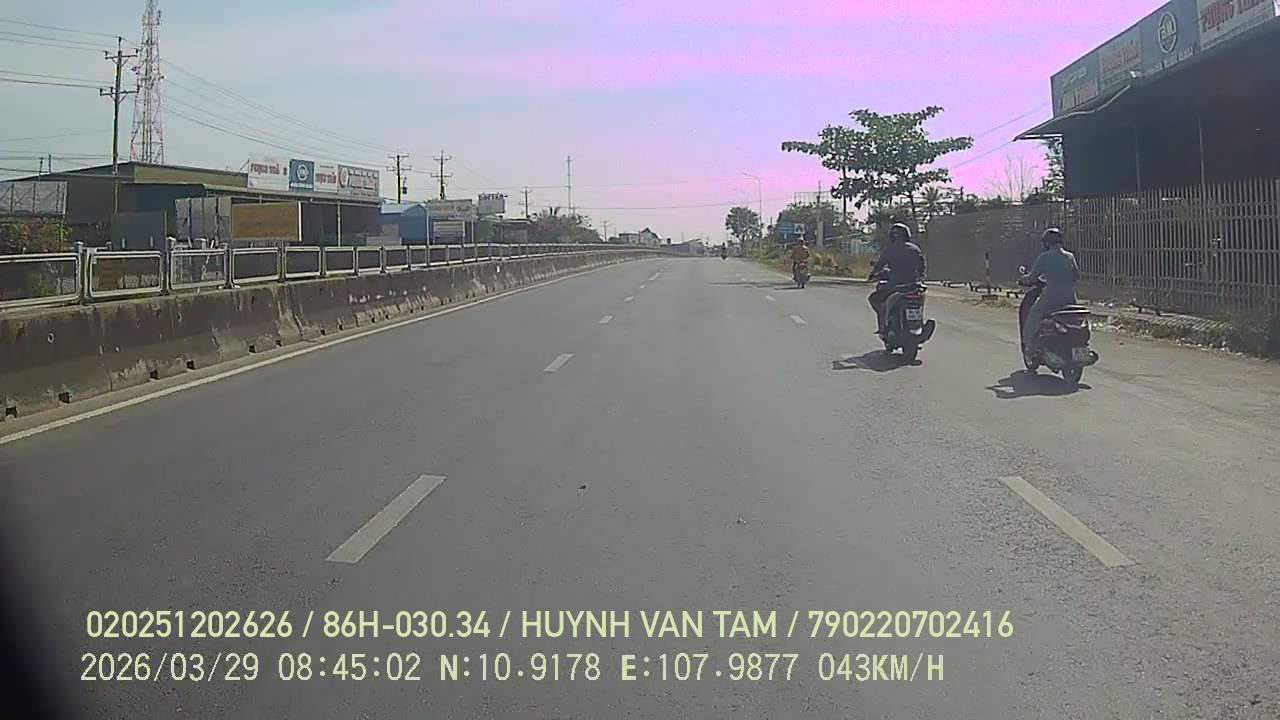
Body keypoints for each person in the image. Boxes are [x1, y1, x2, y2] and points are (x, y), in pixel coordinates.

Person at [1020, 227, 1080, 359]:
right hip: (1070, 298)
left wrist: (1022, 279)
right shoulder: (1070, 256)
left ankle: (1029, 346)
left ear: (1047, 243)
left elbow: (1031, 278)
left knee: (1034, 315)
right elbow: (1076, 276)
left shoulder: (1044, 257)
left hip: (1050, 298)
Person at [867, 223, 926, 335]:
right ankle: (918, 323)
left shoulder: (889, 250)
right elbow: (921, 266)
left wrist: (872, 274)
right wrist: (921, 276)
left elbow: (879, 266)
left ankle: (883, 327)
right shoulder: (914, 249)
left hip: (895, 286)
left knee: (875, 299)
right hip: (913, 285)